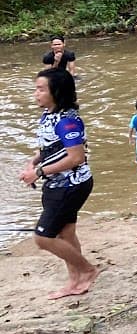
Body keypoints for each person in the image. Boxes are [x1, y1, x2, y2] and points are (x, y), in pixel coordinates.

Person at [19, 68, 97, 299]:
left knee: (43, 237)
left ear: (56, 92)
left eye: (41, 89)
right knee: (66, 233)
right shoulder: (49, 115)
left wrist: (39, 172)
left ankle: (88, 270)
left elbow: (76, 157)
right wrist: (32, 162)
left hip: (70, 185)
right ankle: (76, 280)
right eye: (35, 88)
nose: (36, 94)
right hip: (57, 184)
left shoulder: (67, 121)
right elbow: (50, 147)